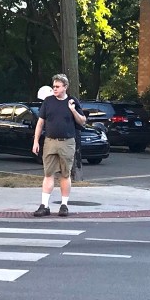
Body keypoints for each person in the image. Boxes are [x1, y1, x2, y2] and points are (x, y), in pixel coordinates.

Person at [32, 74, 86, 217]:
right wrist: (36, 141)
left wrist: (73, 110)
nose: (54, 89)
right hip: (50, 141)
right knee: (48, 174)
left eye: (57, 86)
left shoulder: (72, 101)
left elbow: (82, 121)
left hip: (67, 142)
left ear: (65, 87)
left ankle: (64, 205)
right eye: (53, 86)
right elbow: (40, 123)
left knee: (65, 174)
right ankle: (44, 205)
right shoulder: (48, 102)